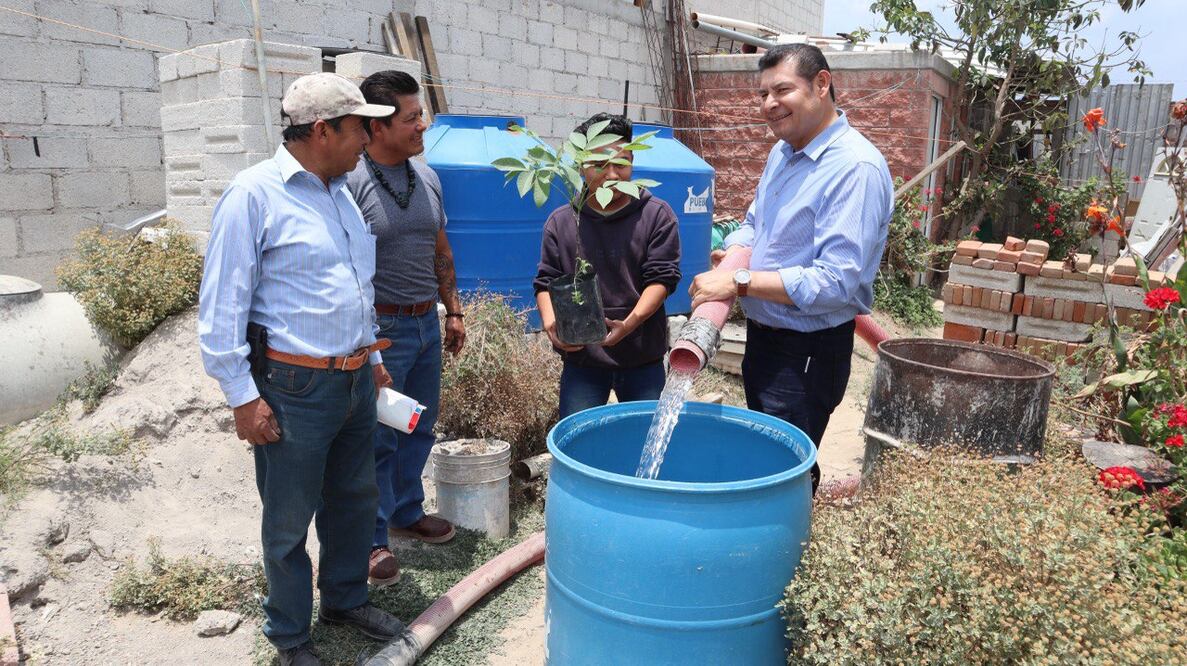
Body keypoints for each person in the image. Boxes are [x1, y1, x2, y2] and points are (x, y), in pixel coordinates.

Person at [198, 72, 405, 666]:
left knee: (353, 498)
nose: (369, 139)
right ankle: (289, 634)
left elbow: (356, 289)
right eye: (360, 127)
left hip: (354, 379)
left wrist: (374, 359)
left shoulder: (339, 192)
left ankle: (343, 598)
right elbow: (223, 306)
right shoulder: (253, 195)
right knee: (289, 517)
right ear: (322, 130)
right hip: (294, 386)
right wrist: (242, 396)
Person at [689, 44, 893, 493]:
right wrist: (740, 252)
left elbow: (836, 281)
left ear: (822, 84)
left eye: (782, 89)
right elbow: (754, 221)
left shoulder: (853, 168)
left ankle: (791, 554)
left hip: (808, 350)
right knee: (768, 456)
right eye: (762, 94)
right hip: (768, 339)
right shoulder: (784, 153)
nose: (768, 104)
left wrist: (739, 281)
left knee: (783, 470)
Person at [346, 70, 463, 586]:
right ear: (378, 125)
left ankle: (406, 513)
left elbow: (441, 250)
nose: (423, 125)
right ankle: (371, 540)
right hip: (381, 330)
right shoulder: (351, 182)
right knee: (376, 436)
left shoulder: (428, 177)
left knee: (417, 424)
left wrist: (452, 310)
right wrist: (364, 340)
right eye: (412, 117)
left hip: (425, 325)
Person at [534, 113, 682, 418]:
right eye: (600, 164)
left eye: (622, 163)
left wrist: (629, 325)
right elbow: (546, 280)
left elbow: (662, 279)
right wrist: (551, 323)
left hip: (642, 357)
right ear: (581, 165)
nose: (612, 174)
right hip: (582, 359)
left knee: (643, 447)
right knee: (578, 443)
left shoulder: (655, 215)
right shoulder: (562, 221)